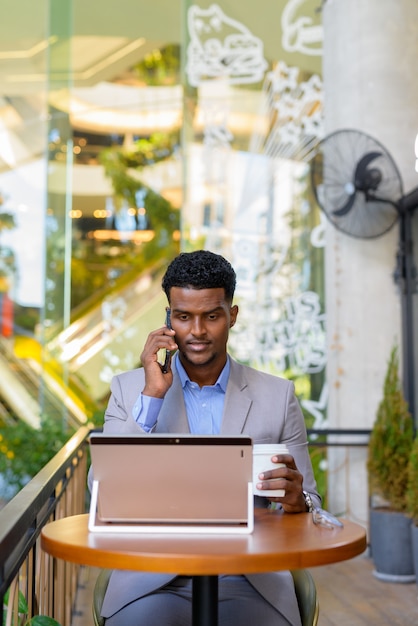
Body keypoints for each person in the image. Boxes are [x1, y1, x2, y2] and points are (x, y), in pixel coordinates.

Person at [90, 249, 321, 626]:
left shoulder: (278, 396)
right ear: (168, 319)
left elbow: (312, 503)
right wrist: (151, 397)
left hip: (251, 576)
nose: (196, 331)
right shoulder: (129, 390)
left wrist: (298, 502)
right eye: (183, 317)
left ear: (231, 315)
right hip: (152, 579)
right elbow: (100, 492)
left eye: (211, 316)